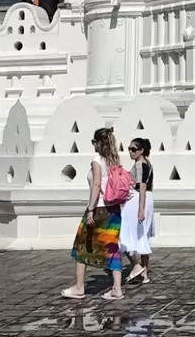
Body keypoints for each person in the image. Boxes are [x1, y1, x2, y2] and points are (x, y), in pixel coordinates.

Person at [61, 127, 128, 301]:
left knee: (82, 246)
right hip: (113, 209)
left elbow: (96, 185)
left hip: (98, 208)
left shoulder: (97, 159)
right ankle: (117, 289)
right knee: (112, 247)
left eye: (93, 142)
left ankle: (79, 287)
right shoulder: (113, 159)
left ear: (98, 142)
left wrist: (90, 209)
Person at [120, 137, 155, 284]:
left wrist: (140, 209)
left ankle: (137, 266)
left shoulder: (140, 165)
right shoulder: (147, 163)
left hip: (140, 199)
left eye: (133, 149)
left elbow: (141, 186)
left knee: (127, 233)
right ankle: (144, 272)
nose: (130, 152)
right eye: (129, 149)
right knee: (143, 235)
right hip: (147, 198)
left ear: (141, 151)